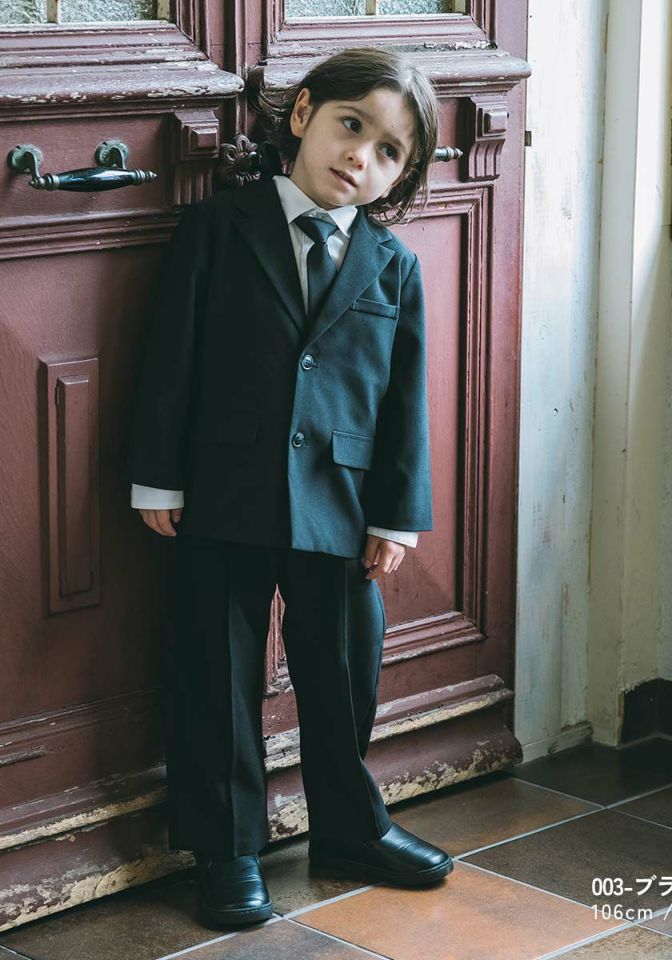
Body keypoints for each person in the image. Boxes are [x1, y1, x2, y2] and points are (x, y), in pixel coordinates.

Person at [125, 46, 453, 928]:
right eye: (352, 125)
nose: (361, 157)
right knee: (216, 668)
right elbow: (170, 360)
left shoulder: (392, 265)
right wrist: (158, 476)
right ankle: (227, 848)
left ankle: (349, 827)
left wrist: (397, 515)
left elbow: (405, 400)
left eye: (389, 151)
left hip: (340, 505)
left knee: (344, 667)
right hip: (222, 490)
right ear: (303, 114)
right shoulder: (217, 229)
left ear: (400, 175)